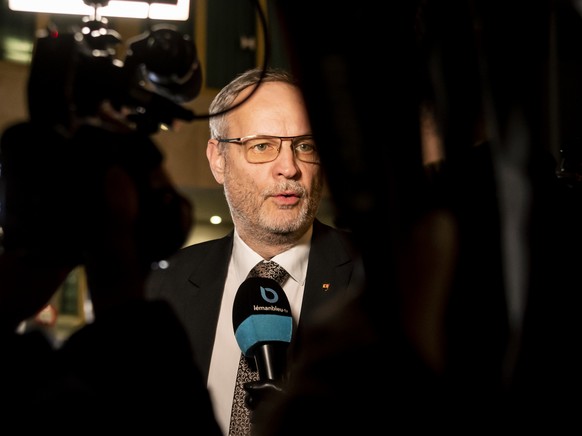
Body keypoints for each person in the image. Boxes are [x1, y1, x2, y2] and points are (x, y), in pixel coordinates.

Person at [145, 67, 363, 435]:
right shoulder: (162, 287)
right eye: (262, 146)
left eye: (305, 145)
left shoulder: (379, 275)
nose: (289, 168)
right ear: (218, 159)